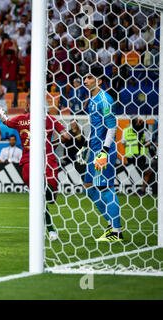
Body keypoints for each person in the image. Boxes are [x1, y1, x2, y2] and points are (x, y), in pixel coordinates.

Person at [0, 94, 71, 241]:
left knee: (41, 198)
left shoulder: (20, 119)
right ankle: (50, 229)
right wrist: (54, 142)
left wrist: (1, 112)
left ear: (28, 105)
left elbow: (5, 121)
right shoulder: (50, 119)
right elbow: (67, 136)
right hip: (47, 161)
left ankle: (50, 228)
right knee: (46, 197)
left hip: (28, 163)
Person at [76, 64, 123, 242]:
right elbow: (97, 127)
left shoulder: (105, 100)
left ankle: (116, 231)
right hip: (94, 149)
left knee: (105, 187)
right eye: (85, 77)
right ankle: (111, 224)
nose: (85, 80)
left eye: (89, 77)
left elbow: (112, 127)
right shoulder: (93, 99)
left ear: (99, 80)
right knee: (88, 185)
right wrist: (87, 146)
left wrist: (104, 150)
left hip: (104, 151)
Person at [121, 117, 151, 195]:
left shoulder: (143, 131)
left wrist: (142, 145)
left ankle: (140, 190)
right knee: (134, 173)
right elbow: (123, 143)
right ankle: (135, 190)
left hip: (140, 155)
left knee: (139, 172)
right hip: (132, 155)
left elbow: (149, 142)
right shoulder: (126, 130)